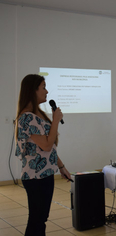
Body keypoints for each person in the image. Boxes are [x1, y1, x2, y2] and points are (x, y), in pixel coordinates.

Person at [15, 74, 72, 236]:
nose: (47, 91)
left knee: (41, 219)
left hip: (45, 174)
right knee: (36, 219)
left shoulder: (37, 114)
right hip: (35, 177)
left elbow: (50, 147)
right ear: (33, 90)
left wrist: (61, 166)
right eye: (43, 87)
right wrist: (55, 121)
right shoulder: (27, 118)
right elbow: (47, 145)